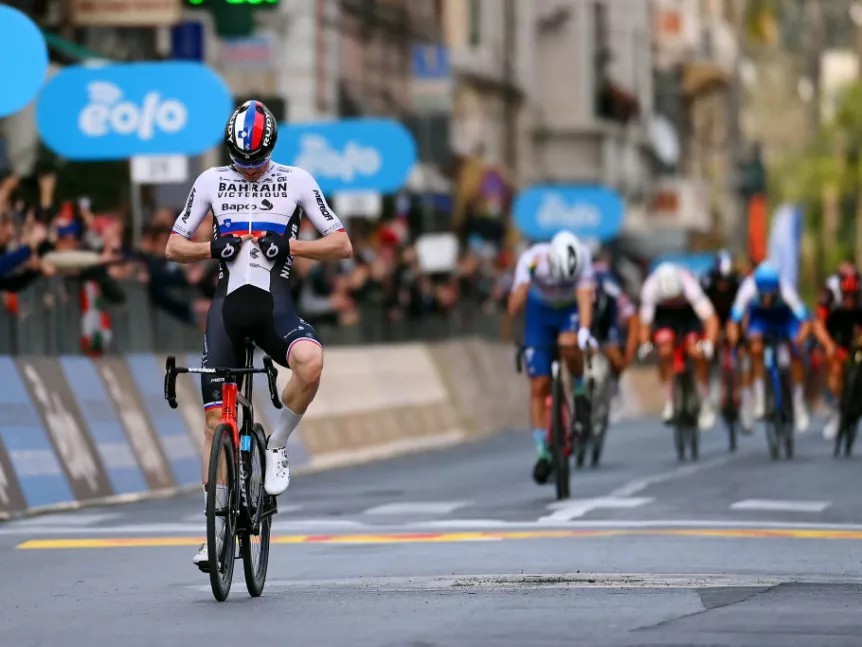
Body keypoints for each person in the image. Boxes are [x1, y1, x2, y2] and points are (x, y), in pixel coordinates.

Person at [165, 100, 352, 568]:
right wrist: (212, 248)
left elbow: (342, 244)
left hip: (274, 309)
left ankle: (277, 444)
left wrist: (291, 245)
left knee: (311, 363)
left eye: (256, 162)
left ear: (271, 149)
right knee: (215, 423)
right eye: (240, 161)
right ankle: (215, 534)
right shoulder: (210, 181)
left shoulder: (297, 180)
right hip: (226, 312)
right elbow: (173, 246)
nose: (248, 170)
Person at [507, 230, 595, 484]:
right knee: (539, 384)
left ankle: (579, 390)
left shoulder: (584, 257)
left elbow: (584, 297)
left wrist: (584, 332)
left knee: (569, 343)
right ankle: (542, 453)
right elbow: (513, 309)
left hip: (568, 311)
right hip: (540, 313)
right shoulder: (532, 259)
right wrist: (524, 283)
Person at [727, 261, 811, 434]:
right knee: (755, 349)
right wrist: (737, 342)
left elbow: (805, 320)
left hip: (784, 318)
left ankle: (798, 404)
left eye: (770, 295)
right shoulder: (747, 288)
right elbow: (733, 321)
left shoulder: (786, 288)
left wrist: (799, 340)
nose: (766, 300)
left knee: (795, 354)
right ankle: (760, 399)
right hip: (760, 319)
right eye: (763, 295)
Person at [637, 262, 719, 430]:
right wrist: (645, 344)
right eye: (670, 299)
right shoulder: (650, 288)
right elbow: (645, 324)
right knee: (664, 349)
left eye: (675, 298)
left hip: (689, 313)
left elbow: (710, 318)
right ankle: (669, 402)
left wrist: (709, 343)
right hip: (664, 316)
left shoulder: (690, 285)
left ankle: (705, 402)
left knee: (696, 351)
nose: (673, 301)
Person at [812, 262, 862, 439]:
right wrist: (828, 344)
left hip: (856, 323)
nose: (850, 300)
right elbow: (818, 324)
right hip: (835, 327)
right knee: (834, 365)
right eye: (846, 296)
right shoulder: (829, 292)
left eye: (853, 296)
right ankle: (836, 408)